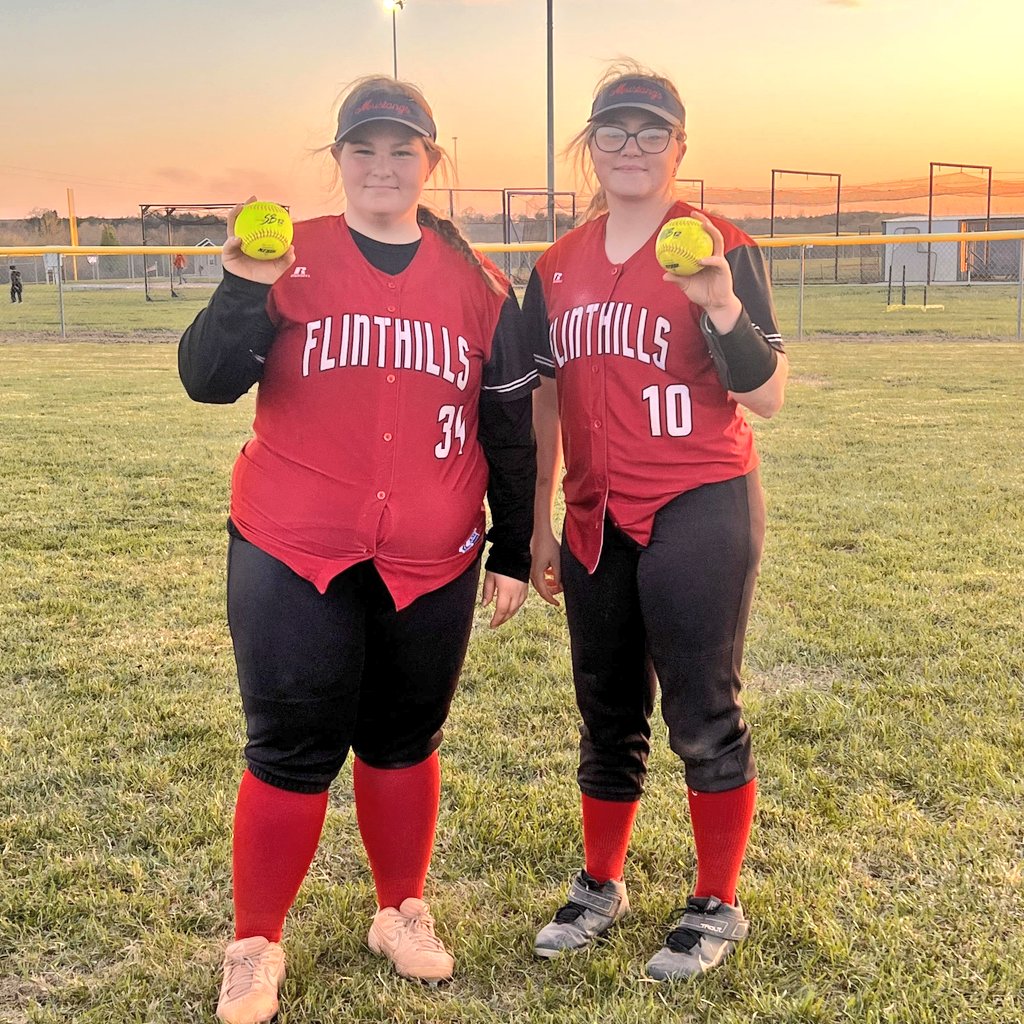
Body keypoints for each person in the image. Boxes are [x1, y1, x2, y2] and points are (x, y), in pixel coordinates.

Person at [178, 76, 537, 1024]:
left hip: (434, 551)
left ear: (430, 161)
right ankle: (256, 943)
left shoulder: (479, 283)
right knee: (290, 748)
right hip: (292, 543)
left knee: (403, 739)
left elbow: (504, 426)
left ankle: (399, 912)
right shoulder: (289, 257)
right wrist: (242, 286)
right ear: (336, 160)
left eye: (402, 150)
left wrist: (507, 546)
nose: (383, 166)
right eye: (364, 149)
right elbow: (209, 381)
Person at [525, 62, 788, 981]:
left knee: (703, 711)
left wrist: (717, 299)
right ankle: (602, 884)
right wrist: (537, 518)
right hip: (596, 512)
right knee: (605, 710)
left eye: (650, 132)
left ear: (680, 146)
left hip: (699, 502)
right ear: (589, 148)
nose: (631, 147)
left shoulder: (725, 243)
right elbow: (547, 396)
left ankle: (716, 901)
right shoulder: (556, 265)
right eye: (613, 132)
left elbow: (767, 396)